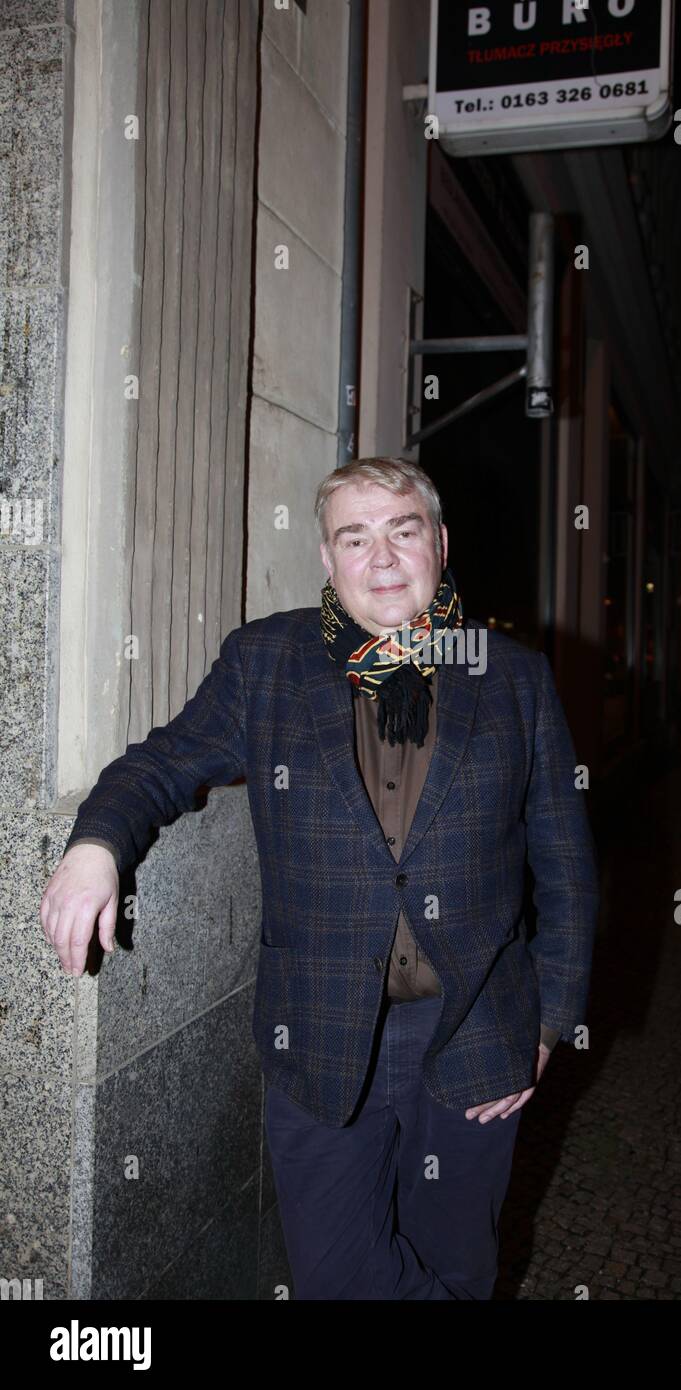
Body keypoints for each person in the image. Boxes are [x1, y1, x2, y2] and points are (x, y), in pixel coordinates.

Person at [41, 456, 599, 1300]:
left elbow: (567, 870)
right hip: (318, 1036)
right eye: (355, 536)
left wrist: (551, 1023)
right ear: (328, 562)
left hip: (476, 1029)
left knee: (460, 1265)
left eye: (403, 531)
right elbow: (160, 764)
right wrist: (96, 847)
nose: (382, 557)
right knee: (338, 1276)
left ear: (439, 545)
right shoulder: (266, 663)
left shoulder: (512, 677)